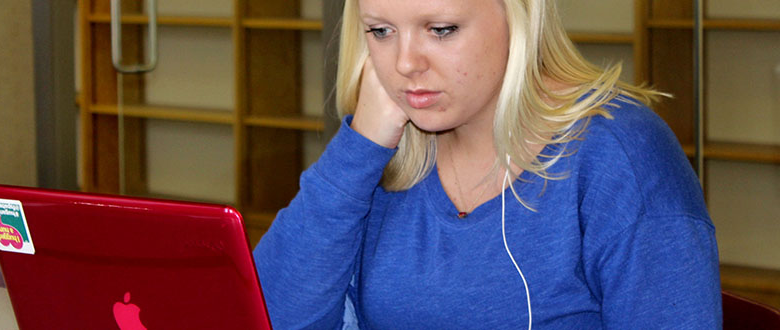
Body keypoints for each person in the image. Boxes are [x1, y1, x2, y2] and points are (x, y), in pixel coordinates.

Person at [253, 0, 721, 328]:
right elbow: (270, 317)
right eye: (380, 31)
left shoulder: (620, 156)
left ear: (518, 15)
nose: (405, 64)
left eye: (440, 30)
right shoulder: (385, 146)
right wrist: (359, 148)